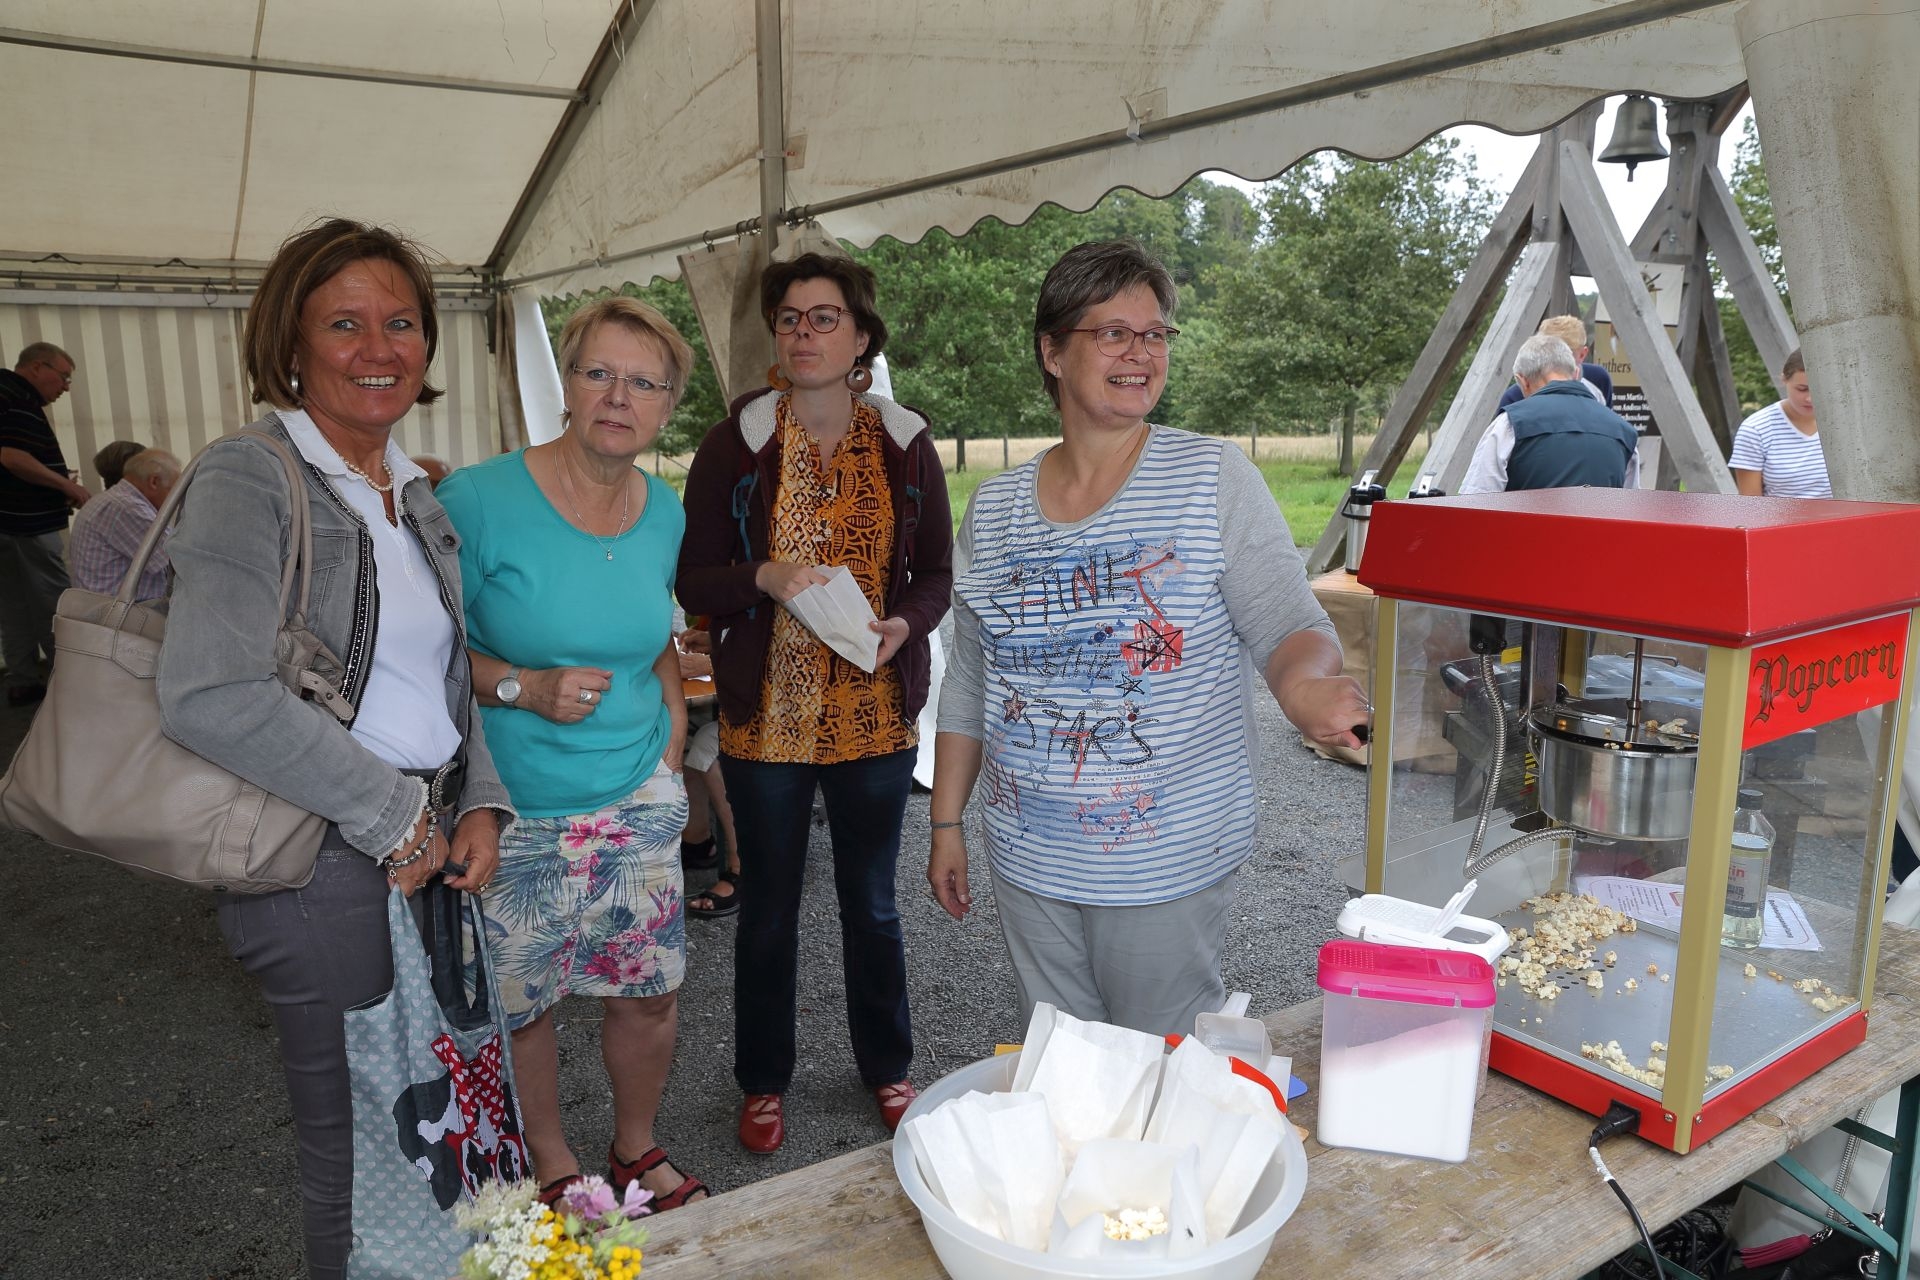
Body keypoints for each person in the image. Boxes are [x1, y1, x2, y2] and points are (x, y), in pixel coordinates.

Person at [155, 218, 515, 1280]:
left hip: (422, 840)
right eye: (345, 323)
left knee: (442, 1123)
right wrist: (396, 816)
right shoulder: (252, 475)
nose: (379, 348)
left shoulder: (410, 486)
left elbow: (443, 671)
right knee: (359, 1154)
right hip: (318, 860)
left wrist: (479, 798)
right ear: (292, 343)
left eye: (401, 322)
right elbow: (210, 691)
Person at [928, 239, 1366, 1038]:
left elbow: (1290, 626)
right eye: (1113, 333)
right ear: (1052, 352)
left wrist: (1304, 688)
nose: (1141, 352)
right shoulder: (993, 510)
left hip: (1163, 861)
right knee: (1064, 1062)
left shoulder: (1211, 477)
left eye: (1156, 333)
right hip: (1027, 856)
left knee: (1161, 1062)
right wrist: (946, 821)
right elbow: (969, 680)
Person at [435, 296, 708, 1211]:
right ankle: (551, 1161)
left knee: (648, 993)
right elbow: (426, 650)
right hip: (513, 808)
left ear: (667, 406)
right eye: (599, 373)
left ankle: (634, 1147)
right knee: (526, 1005)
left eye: (644, 383)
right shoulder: (478, 500)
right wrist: (523, 685)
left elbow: (655, 634)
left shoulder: (662, 510)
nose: (618, 397)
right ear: (567, 387)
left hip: (635, 793)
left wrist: (673, 736)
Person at [678, 252, 952, 1154]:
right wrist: (761, 574)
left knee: (872, 906)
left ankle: (887, 1066)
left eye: (824, 317)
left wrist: (905, 626)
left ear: (861, 336)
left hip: (874, 717)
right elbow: (693, 579)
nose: (804, 333)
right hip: (766, 719)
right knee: (767, 910)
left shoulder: (905, 443)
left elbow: (935, 575)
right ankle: (763, 1080)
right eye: (790, 318)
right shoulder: (735, 442)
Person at [0, 342, 89, 705]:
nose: (65, 387)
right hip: (29, 524)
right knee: (55, 603)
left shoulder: (9, 394)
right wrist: (66, 486)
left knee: (13, 605)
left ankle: (22, 680)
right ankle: (68, 685)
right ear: (37, 367)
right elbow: (12, 456)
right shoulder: (18, 397)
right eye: (63, 376)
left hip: (10, 522)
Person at [1460, 334, 1642, 494]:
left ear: (1522, 381)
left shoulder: (1509, 425)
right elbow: (1631, 509)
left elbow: (1476, 502)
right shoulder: (1625, 433)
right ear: (1575, 373)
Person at [675, 621, 743, 919]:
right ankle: (698, 841)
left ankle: (742, 866)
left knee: (706, 742)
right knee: (685, 729)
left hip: (796, 714)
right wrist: (716, 641)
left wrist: (715, 661)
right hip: (748, 700)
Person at [67, 448, 181, 598]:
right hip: (122, 609)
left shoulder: (113, 500)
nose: (177, 499)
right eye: (173, 490)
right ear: (154, 482)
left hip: (109, 605)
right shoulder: (127, 508)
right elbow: (181, 559)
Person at [1730, 348, 1828, 498]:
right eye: (1802, 389)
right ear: (1784, 380)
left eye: (1818, 390)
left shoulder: (1851, 423)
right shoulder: (1755, 430)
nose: (1810, 398)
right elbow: (1750, 504)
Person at [1496, 314, 1614, 411]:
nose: (1555, 362)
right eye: (1547, 353)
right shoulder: (1515, 396)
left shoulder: (1598, 380)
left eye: (1564, 355)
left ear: (1582, 354)